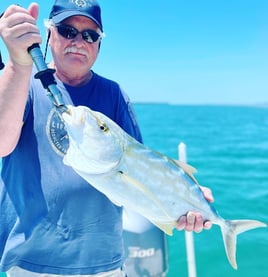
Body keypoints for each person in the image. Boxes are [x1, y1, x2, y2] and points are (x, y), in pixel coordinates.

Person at [0, 1, 213, 276]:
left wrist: (182, 202)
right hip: (33, 264)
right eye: (67, 31)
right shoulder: (21, 81)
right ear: (49, 33)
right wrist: (18, 64)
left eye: (90, 35)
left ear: (99, 44)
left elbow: (137, 166)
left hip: (105, 264)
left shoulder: (114, 94)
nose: (79, 41)